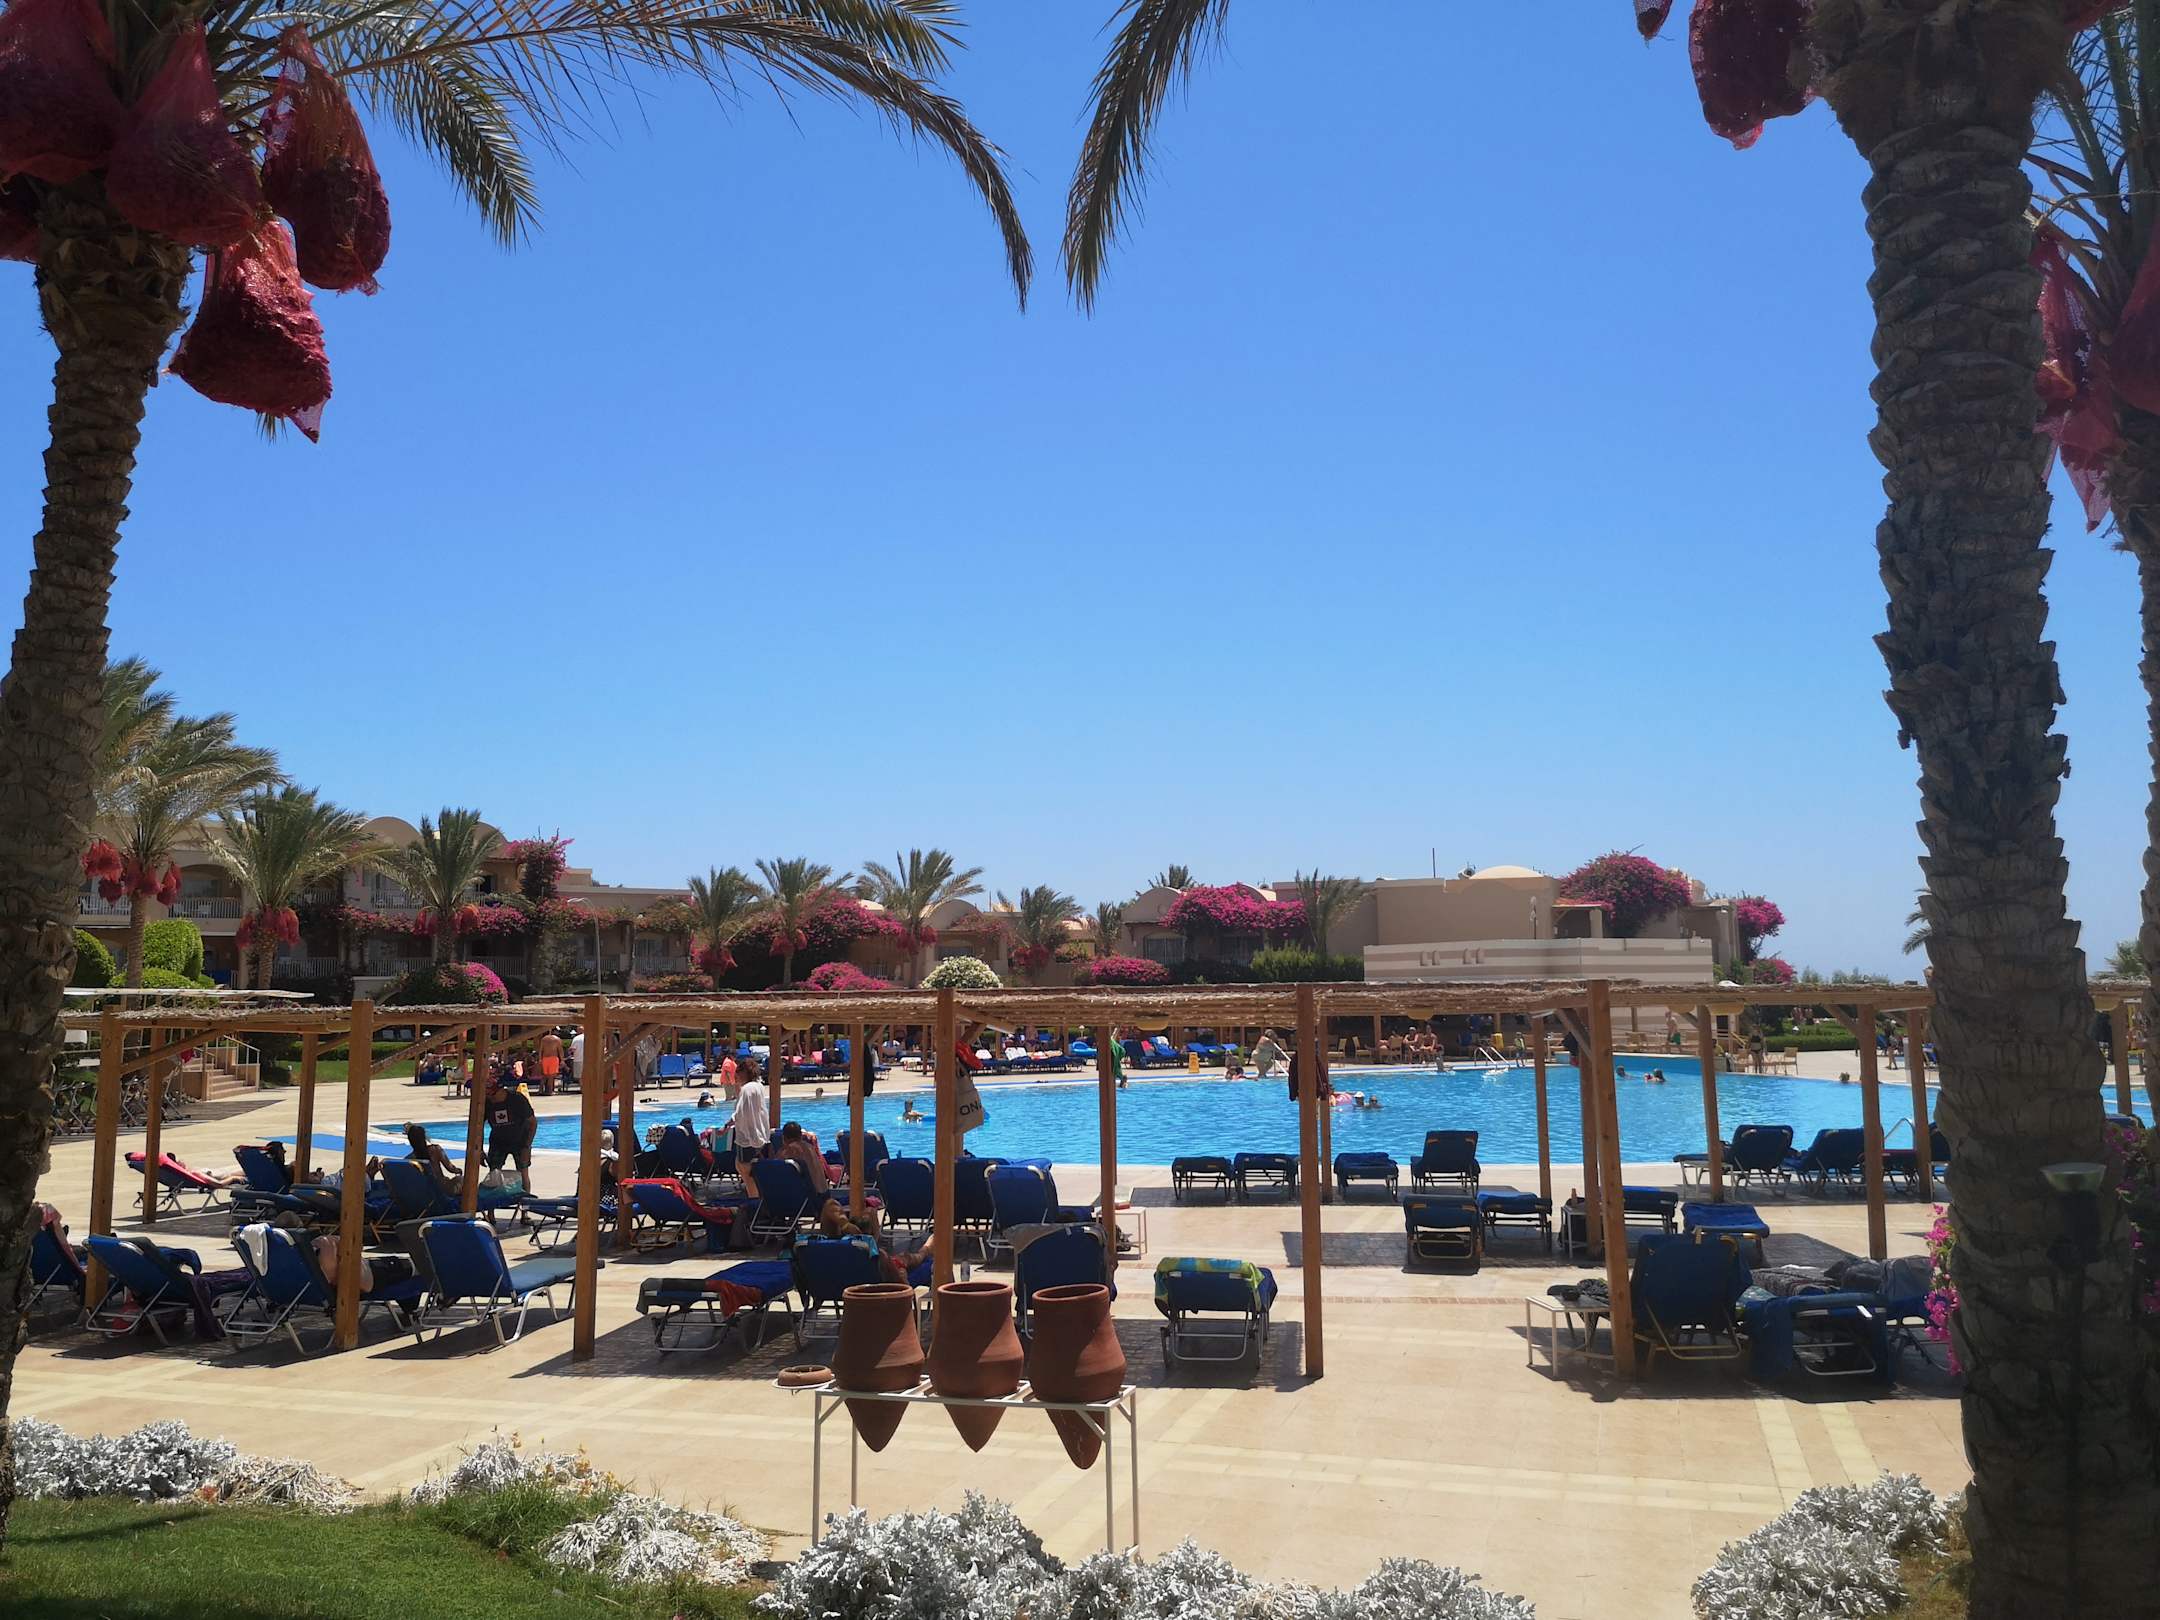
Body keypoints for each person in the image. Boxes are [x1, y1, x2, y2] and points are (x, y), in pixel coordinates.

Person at [484, 1076, 537, 1184]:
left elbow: (532, 1123)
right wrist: (479, 1150)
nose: (490, 1098)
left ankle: (525, 1193)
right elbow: (478, 1126)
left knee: (523, 1173)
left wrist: (527, 1146)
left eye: (492, 1095)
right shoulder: (487, 1102)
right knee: (494, 1174)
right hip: (498, 1141)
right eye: (487, 1095)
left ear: (501, 1090)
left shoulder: (517, 1099)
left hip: (520, 1140)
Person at [732, 1058, 771, 1195]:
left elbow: (740, 1113)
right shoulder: (759, 1086)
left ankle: (754, 1199)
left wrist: (726, 1125)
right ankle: (758, 1198)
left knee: (746, 1171)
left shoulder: (746, 1089)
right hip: (761, 1134)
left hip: (747, 1137)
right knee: (748, 1169)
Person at [403, 1123, 461, 1200]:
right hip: (442, 1189)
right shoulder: (435, 1149)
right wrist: (459, 1170)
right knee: (461, 1179)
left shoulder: (409, 1159)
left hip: (424, 1193)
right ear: (424, 1137)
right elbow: (451, 1168)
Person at [776, 1120, 831, 1196]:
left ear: (783, 1138)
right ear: (801, 1136)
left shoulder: (786, 1151)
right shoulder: (810, 1148)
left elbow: (777, 1173)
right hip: (822, 1194)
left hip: (807, 1197)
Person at [538, 1029, 564, 1095]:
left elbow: (541, 1050)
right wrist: (562, 1060)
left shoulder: (544, 1039)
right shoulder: (557, 1039)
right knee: (551, 1076)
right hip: (553, 1058)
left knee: (544, 1076)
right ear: (554, 1031)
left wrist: (540, 1059)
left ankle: (540, 1090)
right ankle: (549, 1091)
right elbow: (560, 1050)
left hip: (545, 1058)